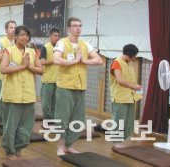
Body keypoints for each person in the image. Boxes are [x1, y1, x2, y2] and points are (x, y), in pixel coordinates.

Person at [53, 17, 103, 155]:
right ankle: (60, 146)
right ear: (69, 28)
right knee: (62, 118)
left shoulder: (85, 44)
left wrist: (84, 60)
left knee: (78, 119)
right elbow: (56, 59)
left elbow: (98, 60)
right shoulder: (62, 43)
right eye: (75, 26)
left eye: (80, 26)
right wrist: (75, 61)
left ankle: (69, 145)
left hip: (80, 86)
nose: (78, 28)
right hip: (65, 86)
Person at [0, 26, 43, 160]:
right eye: (22, 35)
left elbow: (41, 71)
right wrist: (23, 66)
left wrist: (28, 66)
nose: (25, 37)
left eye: (27, 35)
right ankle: (9, 151)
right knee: (11, 125)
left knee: (26, 126)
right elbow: (3, 69)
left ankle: (18, 149)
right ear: (16, 37)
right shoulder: (9, 51)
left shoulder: (31, 51)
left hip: (29, 94)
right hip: (13, 95)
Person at [110, 44, 142, 148]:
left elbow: (130, 78)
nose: (135, 58)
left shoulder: (129, 63)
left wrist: (136, 87)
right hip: (120, 96)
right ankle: (116, 141)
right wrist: (134, 86)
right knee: (119, 120)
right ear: (130, 55)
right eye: (134, 56)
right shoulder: (117, 62)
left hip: (130, 96)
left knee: (129, 123)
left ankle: (121, 140)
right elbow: (120, 80)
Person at [0, 20, 17, 134]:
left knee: (12, 101)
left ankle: (10, 123)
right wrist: (10, 54)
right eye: (11, 27)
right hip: (2, 76)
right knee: (0, 102)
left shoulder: (18, 41)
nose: (13, 29)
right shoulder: (1, 41)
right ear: (6, 30)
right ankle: (1, 123)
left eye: (14, 27)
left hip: (15, 76)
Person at [40, 28, 60, 120]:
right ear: (50, 36)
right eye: (55, 36)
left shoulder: (60, 48)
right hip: (48, 80)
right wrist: (54, 60)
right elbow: (42, 61)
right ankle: (47, 121)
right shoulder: (45, 47)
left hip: (59, 81)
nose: (57, 38)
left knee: (56, 104)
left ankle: (53, 121)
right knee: (46, 104)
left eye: (58, 36)